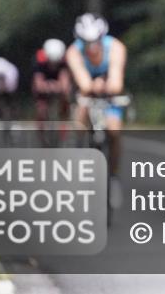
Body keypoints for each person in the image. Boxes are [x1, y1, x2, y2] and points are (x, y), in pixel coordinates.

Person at [67, 14, 127, 197]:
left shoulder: (116, 47)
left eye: (95, 41)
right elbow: (84, 84)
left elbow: (116, 84)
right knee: (79, 121)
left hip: (110, 96)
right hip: (86, 95)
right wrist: (96, 85)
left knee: (114, 131)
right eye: (86, 43)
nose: (92, 47)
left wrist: (103, 85)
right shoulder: (73, 52)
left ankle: (113, 176)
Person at [32, 38, 72, 135]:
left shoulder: (64, 61)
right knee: (41, 107)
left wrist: (59, 87)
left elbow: (65, 83)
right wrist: (48, 86)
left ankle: (64, 122)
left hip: (56, 80)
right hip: (45, 80)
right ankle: (41, 132)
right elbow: (38, 83)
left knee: (65, 97)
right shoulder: (39, 61)